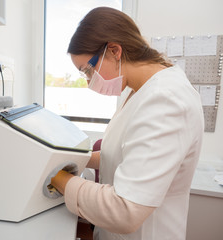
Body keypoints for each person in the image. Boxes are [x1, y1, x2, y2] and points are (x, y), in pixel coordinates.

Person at [50, 7, 204, 240]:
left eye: (88, 70)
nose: (89, 81)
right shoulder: (135, 90)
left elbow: (125, 210)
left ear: (114, 50)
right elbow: (126, 153)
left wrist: (59, 178)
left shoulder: (166, 100)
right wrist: (71, 158)